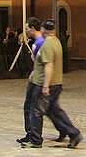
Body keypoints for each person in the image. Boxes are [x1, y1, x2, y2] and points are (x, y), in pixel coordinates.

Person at [22, 19, 81, 148]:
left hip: (46, 82)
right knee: (55, 111)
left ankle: (36, 140)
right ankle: (73, 133)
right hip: (57, 82)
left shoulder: (48, 45)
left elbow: (49, 65)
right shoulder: (56, 42)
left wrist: (45, 86)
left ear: (43, 30)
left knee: (37, 111)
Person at [16, 18, 68, 145]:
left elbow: (44, 63)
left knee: (34, 108)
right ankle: (64, 129)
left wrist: (42, 81)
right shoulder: (42, 41)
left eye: (27, 28)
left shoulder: (40, 43)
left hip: (39, 80)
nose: (26, 30)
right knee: (50, 109)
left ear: (33, 29)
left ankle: (33, 135)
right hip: (40, 79)